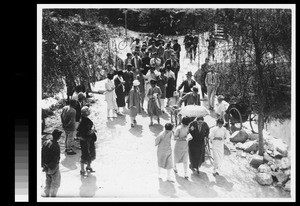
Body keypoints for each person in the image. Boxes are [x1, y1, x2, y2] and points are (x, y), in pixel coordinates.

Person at [42, 129, 62, 197]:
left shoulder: (45, 142)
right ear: (59, 137)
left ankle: (46, 194)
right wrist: (52, 167)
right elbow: (56, 158)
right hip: (53, 167)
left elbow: (42, 154)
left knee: (48, 181)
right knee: (56, 183)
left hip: (45, 166)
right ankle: (53, 196)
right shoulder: (56, 146)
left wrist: (44, 165)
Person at [77, 106, 96, 176]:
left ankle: (88, 166)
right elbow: (79, 132)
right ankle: (82, 170)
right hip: (85, 140)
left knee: (90, 153)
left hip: (89, 140)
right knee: (84, 155)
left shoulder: (85, 120)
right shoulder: (82, 122)